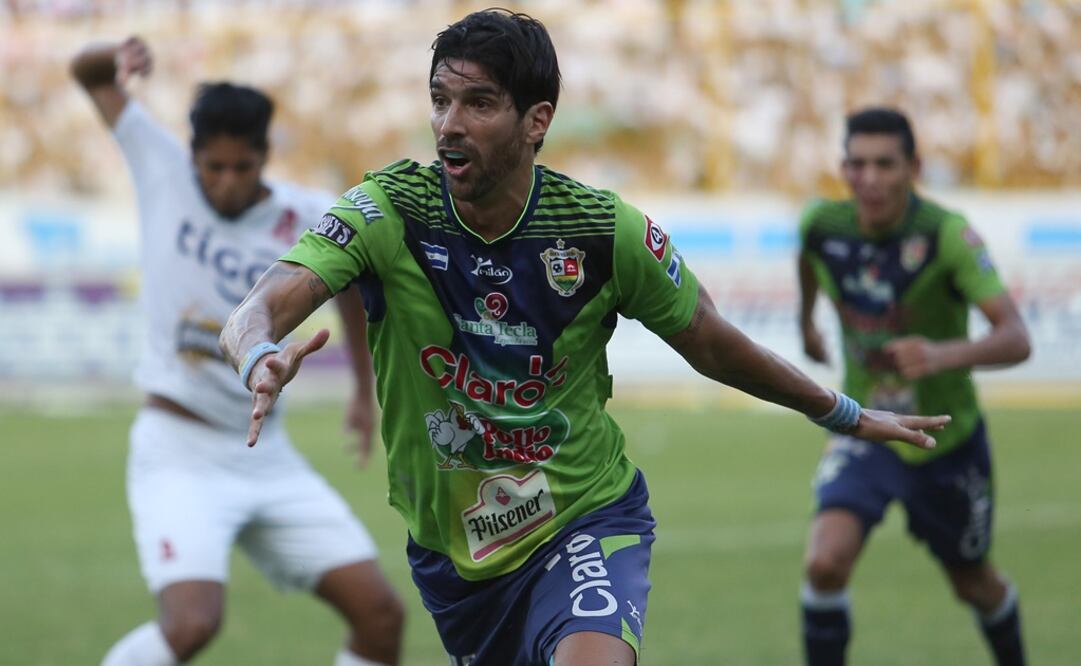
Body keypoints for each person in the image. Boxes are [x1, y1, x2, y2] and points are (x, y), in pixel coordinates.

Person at [220, 11, 947, 666]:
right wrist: (258, 352)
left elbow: (714, 343)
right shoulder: (386, 209)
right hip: (455, 562)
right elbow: (261, 304)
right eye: (440, 100)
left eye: (478, 103)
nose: (448, 123)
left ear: (536, 120)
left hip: (583, 517)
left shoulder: (604, 232)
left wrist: (841, 412)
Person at [71, 36, 403, 666]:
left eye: (241, 168)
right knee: (193, 623)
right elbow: (88, 75)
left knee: (381, 615)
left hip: (264, 455)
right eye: (212, 167)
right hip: (179, 448)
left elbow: (355, 285)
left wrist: (364, 391)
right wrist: (115, 56)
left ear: (263, 158)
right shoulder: (159, 164)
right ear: (192, 155)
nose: (225, 183)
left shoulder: (303, 214)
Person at [796, 108, 1031, 666]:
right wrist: (807, 323)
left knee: (973, 583)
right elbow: (807, 264)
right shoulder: (822, 226)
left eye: (884, 164)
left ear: (913, 168)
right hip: (865, 427)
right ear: (843, 169)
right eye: (857, 164)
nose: (869, 178)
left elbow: (1017, 338)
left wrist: (943, 354)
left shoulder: (946, 235)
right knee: (824, 562)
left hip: (946, 443)